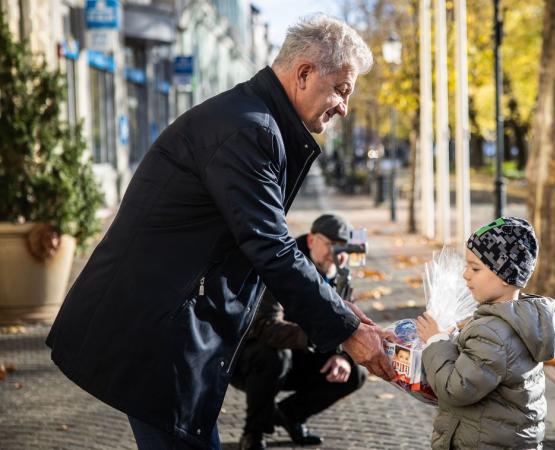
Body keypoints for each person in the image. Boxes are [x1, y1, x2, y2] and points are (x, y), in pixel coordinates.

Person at [46, 15, 394, 450]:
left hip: (167, 332)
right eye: (342, 89)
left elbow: (261, 248)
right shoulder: (249, 130)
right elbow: (272, 248)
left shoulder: (253, 120)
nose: (344, 106)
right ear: (304, 73)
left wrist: (343, 312)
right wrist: (347, 331)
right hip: (158, 335)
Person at [416, 217, 555, 450]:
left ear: (506, 275)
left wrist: (436, 342)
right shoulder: (521, 321)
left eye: (475, 268)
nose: (465, 275)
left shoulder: (491, 332)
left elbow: (457, 389)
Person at [232, 214, 366, 450]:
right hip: (252, 358)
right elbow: (265, 326)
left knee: (354, 372)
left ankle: (289, 415)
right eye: (331, 245)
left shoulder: (341, 274)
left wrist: (342, 355)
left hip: (302, 351)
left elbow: (348, 323)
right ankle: (253, 433)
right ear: (312, 240)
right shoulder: (283, 265)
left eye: (343, 248)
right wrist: (316, 335)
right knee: (275, 356)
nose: (337, 254)